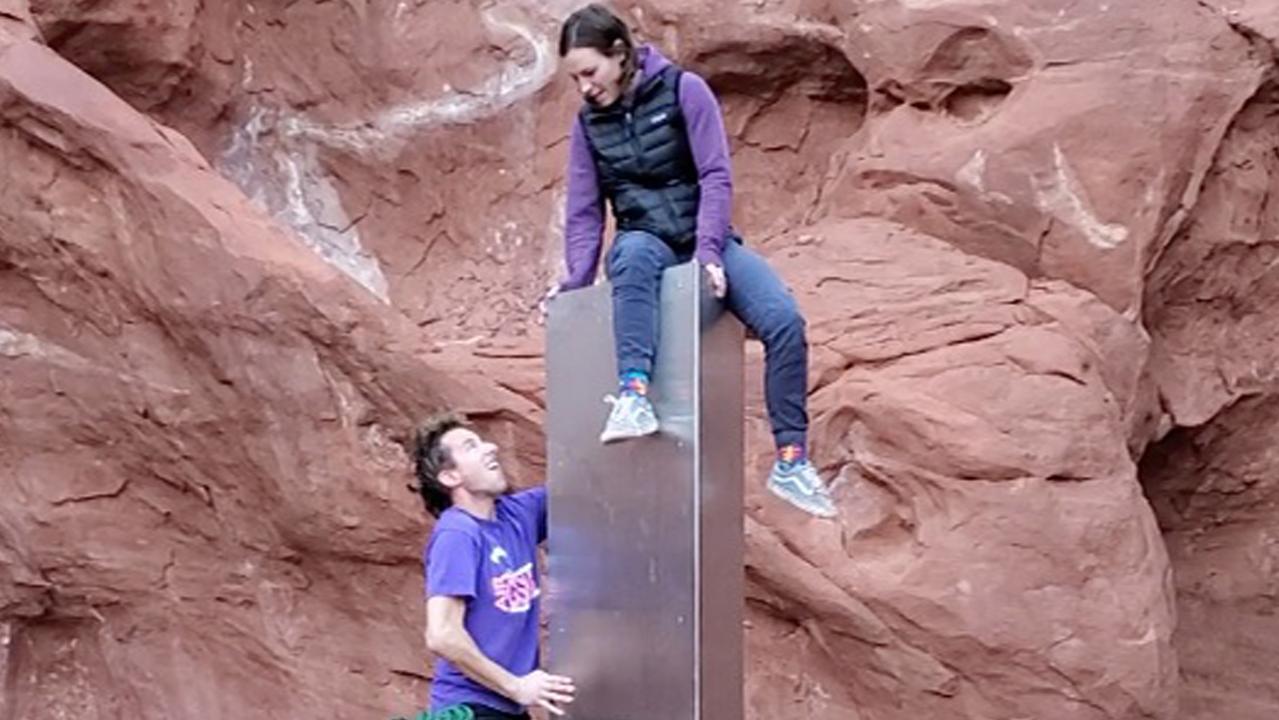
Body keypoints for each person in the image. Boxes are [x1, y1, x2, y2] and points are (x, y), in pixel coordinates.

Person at [549, 3, 837, 518]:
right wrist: (575, 283)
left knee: (785, 321)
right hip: (646, 239)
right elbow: (585, 210)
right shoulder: (588, 125)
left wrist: (709, 254)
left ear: (620, 55)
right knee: (631, 254)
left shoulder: (684, 89)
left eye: (589, 73)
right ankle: (634, 395)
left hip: (705, 236)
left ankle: (791, 460)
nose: (584, 88)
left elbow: (715, 176)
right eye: (575, 79)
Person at [410, 414, 576, 718]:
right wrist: (516, 687)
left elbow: (581, 489)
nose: (491, 448)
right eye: (471, 446)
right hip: (472, 706)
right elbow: (442, 634)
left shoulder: (518, 514)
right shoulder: (457, 534)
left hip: (507, 707)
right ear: (450, 477)